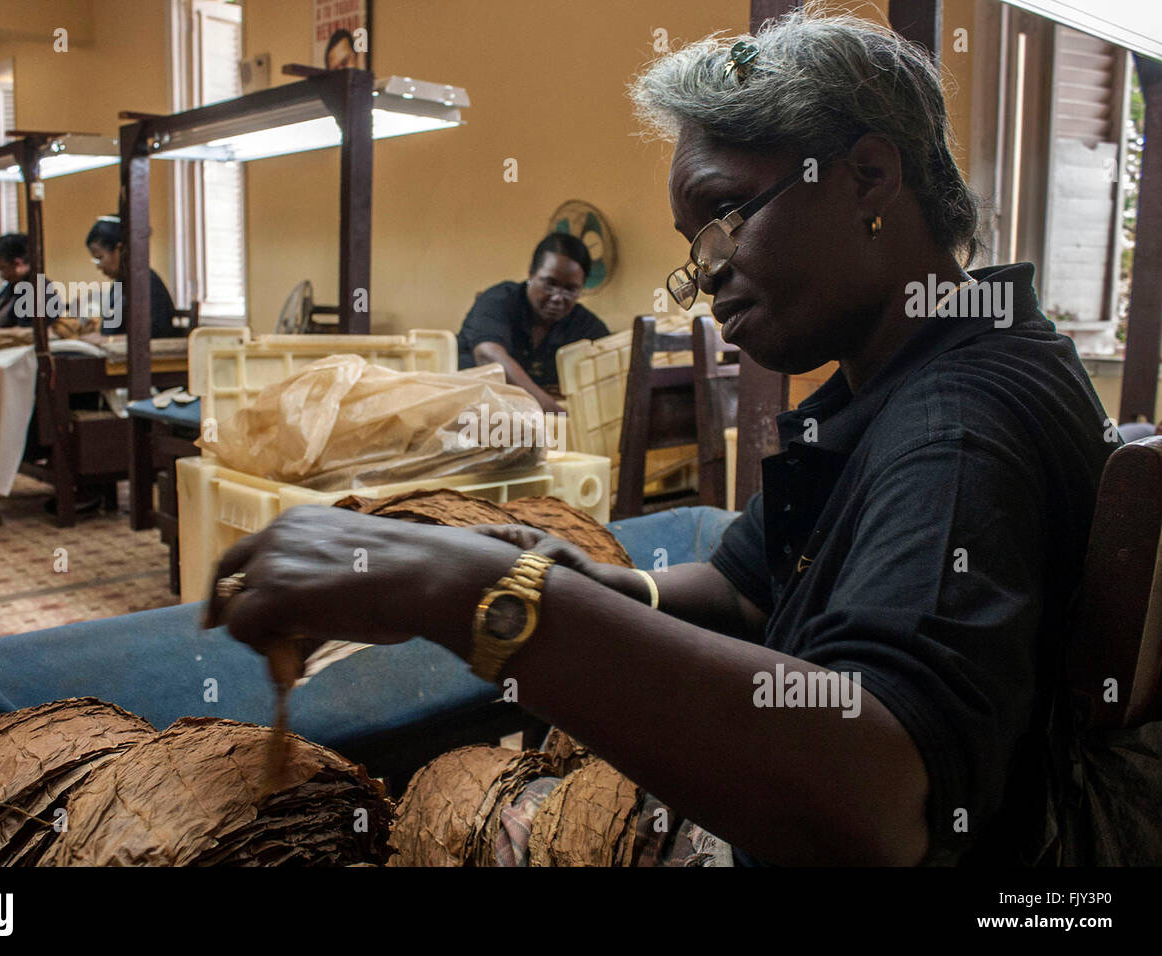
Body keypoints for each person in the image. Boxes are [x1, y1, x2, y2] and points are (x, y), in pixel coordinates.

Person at [206, 12, 1117, 866]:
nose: (707, 277)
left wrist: (470, 591)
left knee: (467, 804)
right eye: (694, 248)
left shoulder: (958, 423)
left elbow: (877, 796)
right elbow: (747, 590)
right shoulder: (897, 376)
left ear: (868, 177)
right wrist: (607, 585)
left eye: (722, 218)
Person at [457, 233, 610, 413]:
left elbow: (610, 366)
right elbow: (488, 356)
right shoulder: (498, 301)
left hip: (531, 422)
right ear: (531, 273)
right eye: (550, 284)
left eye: (570, 289)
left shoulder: (585, 326)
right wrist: (551, 410)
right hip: (470, 412)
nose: (558, 297)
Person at [85, 215, 184, 338]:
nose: (98, 266)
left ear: (120, 250)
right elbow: (109, 330)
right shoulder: (119, 284)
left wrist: (107, 340)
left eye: (100, 257)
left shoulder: (147, 283)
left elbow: (154, 335)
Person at [0, 233, 58, 330]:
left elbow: (27, 332)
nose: (1, 274)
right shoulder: (13, 287)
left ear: (18, 264)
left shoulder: (39, 291)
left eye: (2, 268)